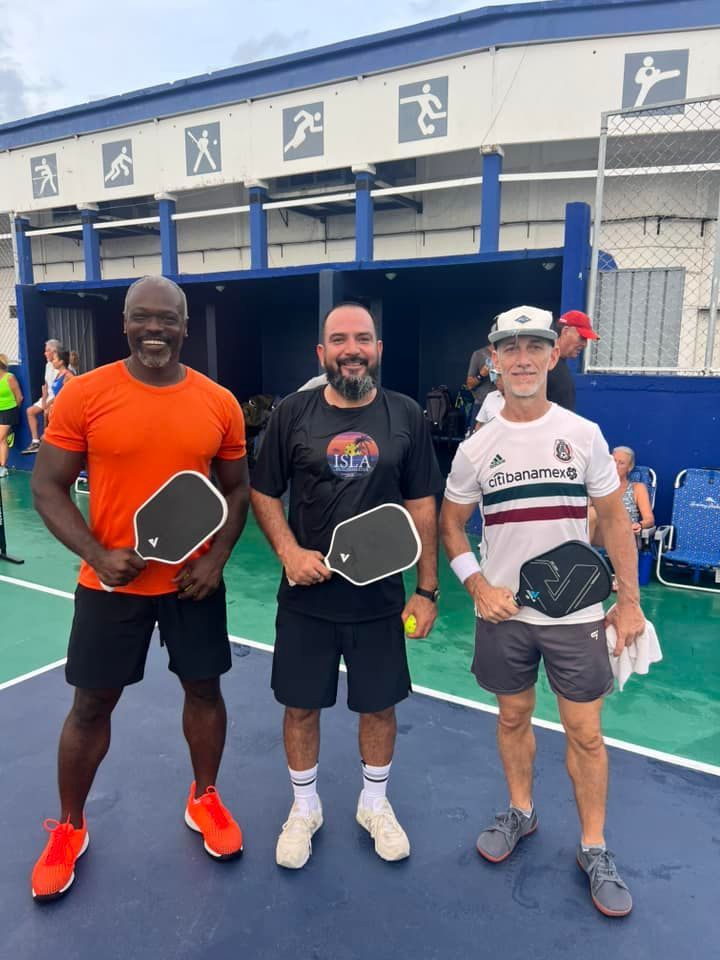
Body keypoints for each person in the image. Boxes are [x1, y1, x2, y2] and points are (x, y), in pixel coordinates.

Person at [29, 276, 250, 903]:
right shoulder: (86, 395)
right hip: (109, 586)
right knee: (90, 708)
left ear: (184, 325)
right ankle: (70, 827)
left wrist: (221, 558)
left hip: (192, 585)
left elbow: (236, 489)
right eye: (142, 318)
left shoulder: (219, 403)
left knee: (204, 692)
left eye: (168, 319)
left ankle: (204, 798)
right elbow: (46, 486)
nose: (155, 330)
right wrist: (97, 553)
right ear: (123, 323)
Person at [440, 305, 645, 918]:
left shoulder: (583, 435)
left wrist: (629, 602)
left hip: (578, 616)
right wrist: (476, 585)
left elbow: (613, 519)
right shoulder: (477, 449)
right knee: (512, 719)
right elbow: (451, 525)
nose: (523, 357)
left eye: (535, 346)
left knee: (586, 732)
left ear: (554, 356)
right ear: (493, 359)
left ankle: (594, 846)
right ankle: (522, 812)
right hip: (503, 616)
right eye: (511, 347)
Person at [250, 302, 443, 870]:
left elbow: (423, 506)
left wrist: (426, 590)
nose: (351, 348)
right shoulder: (293, 414)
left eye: (363, 338)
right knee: (300, 706)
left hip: (380, 599)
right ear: (322, 353)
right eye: (339, 339)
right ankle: (304, 808)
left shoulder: (405, 414)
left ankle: (374, 804)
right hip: (307, 599)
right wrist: (288, 550)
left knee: (378, 707)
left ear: (378, 349)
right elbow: (264, 491)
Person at [589, 446, 655, 547]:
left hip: (624, 534)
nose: (616, 466)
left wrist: (639, 525)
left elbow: (649, 519)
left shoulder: (637, 488)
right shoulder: (599, 485)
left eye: (621, 463)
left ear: (629, 468)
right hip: (601, 533)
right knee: (591, 512)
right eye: (613, 461)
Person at [546, 310, 599, 411]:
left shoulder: (554, 364)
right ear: (565, 331)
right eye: (582, 337)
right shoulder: (543, 364)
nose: (585, 344)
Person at [21, 339, 62, 454]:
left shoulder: (64, 367)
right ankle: (35, 442)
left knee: (47, 414)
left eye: (47, 351)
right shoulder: (48, 365)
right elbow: (47, 385)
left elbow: (61, 390)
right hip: (48, 397)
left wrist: (48, 404)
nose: (45, 353)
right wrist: (44, 399)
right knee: (30, 411)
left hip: (58, 398)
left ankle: (49, 442)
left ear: (54, 351)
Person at [0, 354, 23, 478]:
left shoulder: (10, 378)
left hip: (10, 411)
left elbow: (19, 397)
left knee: (0, 438)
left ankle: (2, 467)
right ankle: (3, 467)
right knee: (2, 440)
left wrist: (14, 410)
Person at [44, 348, 75, 424]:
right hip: (57, 408)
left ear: (61, 362)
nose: (52, 362)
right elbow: (57, 393)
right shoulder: (58, 374)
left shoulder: (68, 376)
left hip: (64, 411)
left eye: (54, 359)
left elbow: (70, 394)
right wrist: (49, 403)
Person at [466, 344, 493, 416]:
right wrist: (481, 375)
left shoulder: (509, 355)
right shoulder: (478, 354)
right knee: (477, 427)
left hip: (504, 405)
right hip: (481, 404)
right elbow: (469, 385)